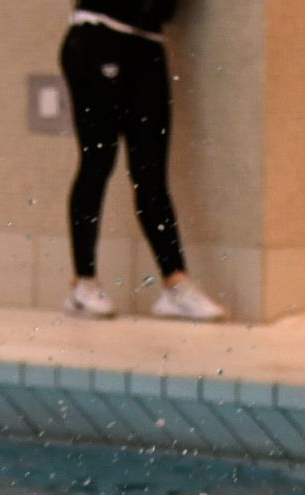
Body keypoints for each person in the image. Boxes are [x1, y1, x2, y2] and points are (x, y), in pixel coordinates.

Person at [58, 0, 226, 322]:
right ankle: (83, 283)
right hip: (98, 35)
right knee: (97, 161)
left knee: (151, 173)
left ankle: (175, 284)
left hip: (147, 46)